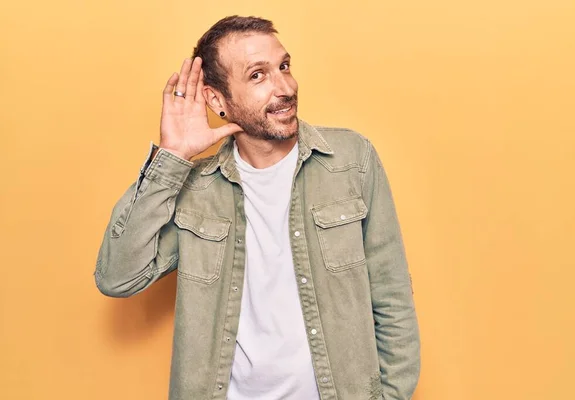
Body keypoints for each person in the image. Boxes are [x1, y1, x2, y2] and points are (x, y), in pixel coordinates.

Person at [95, 15, 420, 400]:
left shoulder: (351, 161)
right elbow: (117, 277)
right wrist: (171, 158)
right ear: (218, 100)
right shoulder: (196, 188)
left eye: (284, 67)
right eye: (257, 76)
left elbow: (392, 296)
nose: (284, 87)